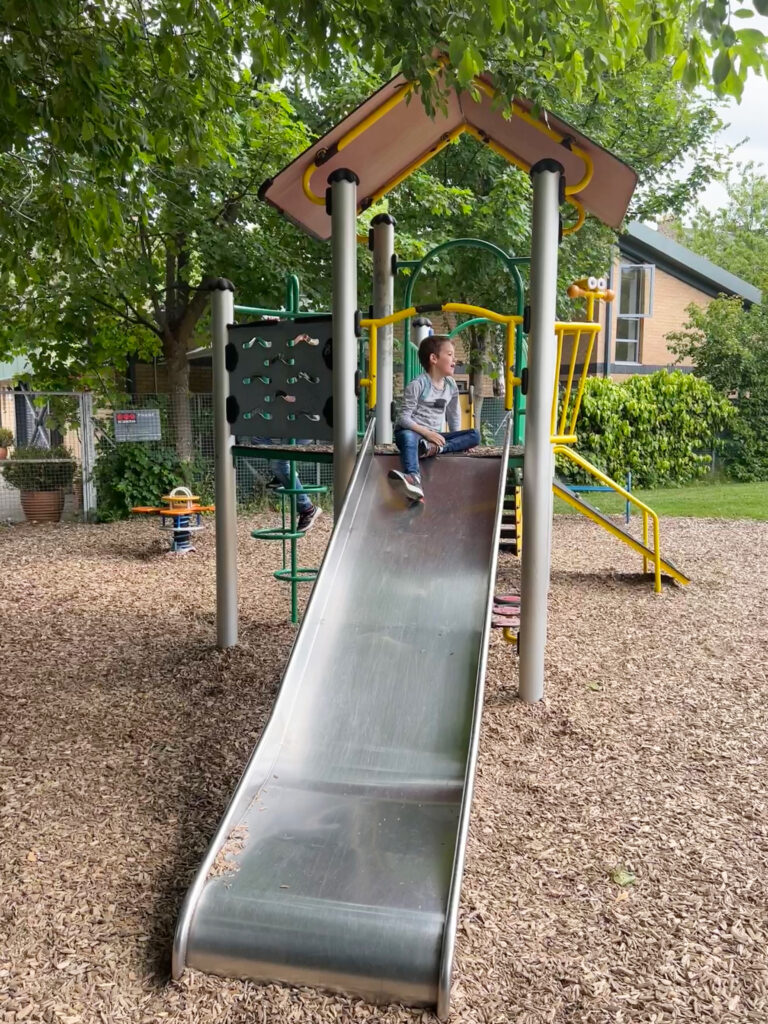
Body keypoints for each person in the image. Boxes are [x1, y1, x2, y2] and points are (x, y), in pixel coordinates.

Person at [389, 335, 481, 502]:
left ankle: (434, 449)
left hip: (433, 441)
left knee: (474, 435)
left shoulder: (451, 385)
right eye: (450, 354)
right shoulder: (418, 385)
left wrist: (459, 441)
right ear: (434, 358)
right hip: (415, 433)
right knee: (407, 435)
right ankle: (413, 478)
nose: (455, 359)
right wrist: (427, 433)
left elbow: (454, 415)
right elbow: (403, 418)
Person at [252, 437, 322, 532]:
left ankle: (308, 509)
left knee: (279, 464)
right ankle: (282, 476)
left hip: (302, 430)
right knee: (258, 439)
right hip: (287, 429)